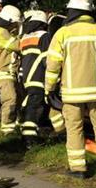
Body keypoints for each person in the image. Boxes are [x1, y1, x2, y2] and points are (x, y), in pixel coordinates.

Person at [45, 0, 96, 178]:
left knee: (74, 128)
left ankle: (78, 169)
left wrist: (49, 89)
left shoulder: (63, 33)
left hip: (72, 94)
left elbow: (53, 65)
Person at [18, 9, 64, 146]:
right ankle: (29, 137)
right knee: (35, 105)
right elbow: (47, 59)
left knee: (40, 103)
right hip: (39, 76)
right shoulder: (44, 36)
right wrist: (55, 76)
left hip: (26, 77)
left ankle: (59, 131)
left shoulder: (25, 38)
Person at [0, 4, 22, 135]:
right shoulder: (0, 32)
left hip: (8, 70)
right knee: (10, 98)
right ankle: (7, 130)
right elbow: (18, 46)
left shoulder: (4, 30)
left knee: (19, 98)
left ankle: (18, 125)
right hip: (0, 71)